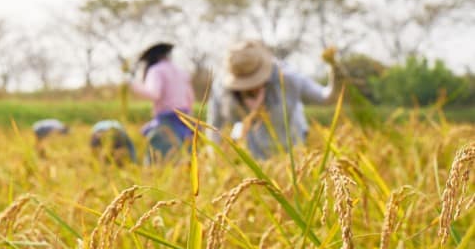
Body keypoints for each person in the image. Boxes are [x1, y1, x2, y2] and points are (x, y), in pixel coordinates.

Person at [207, 40, 341, 160]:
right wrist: (214, 159)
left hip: (294, 152)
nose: (250, 87)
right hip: (253, 155)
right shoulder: (221, 89)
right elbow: (213, 126)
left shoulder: (288, 79)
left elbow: (325, 98)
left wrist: (335, 71)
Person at [127, 42, 195, 163]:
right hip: (184, 121)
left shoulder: (156, 70)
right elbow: (190, 98)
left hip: (166, 121)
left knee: (159, 161)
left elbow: (154, 94)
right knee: (186, 160)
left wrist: (133, 86)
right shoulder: (181, 71)